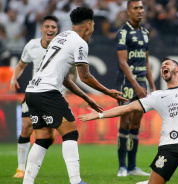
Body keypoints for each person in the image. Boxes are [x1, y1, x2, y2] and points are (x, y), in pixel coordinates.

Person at [23, 7, 127, 184]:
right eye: (93, 24)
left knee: (44, 138)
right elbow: (85, 76)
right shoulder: (79, 42)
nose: (93, 28)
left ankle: (27, 181)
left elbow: (65, 79)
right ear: (89, 24)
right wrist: (107, 91)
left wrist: (87, 98)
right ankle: (76, 181)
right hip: (47, 92)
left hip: (32, 91)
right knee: (70, 133)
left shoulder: (61, 37)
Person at [9, 15, 59, 178]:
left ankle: (34, 164)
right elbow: (22, 64)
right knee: (26, 126)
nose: (50, 30)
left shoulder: (61, 47)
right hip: (34, 92)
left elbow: (70, 73)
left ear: (57, 30)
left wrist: (65, 92)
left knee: (48, 136)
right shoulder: (32, 45)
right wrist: (14, 77)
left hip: (53, 95)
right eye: (47, 26)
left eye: (53, 27)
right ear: (41, 28)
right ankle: (21, 168)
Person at [115, 0, 156, 177]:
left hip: (142, 83)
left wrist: (152, 86)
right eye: (136, 8)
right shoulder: (123, 32)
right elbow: (123, 62)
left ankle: (132, 167)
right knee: (125, 122)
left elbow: (146, 62)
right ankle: (122, 167)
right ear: (128, 12)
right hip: (126, 83)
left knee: (136, 123)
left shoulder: (145, 33)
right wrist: (136, 86)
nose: (140, 11)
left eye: (141, 8)